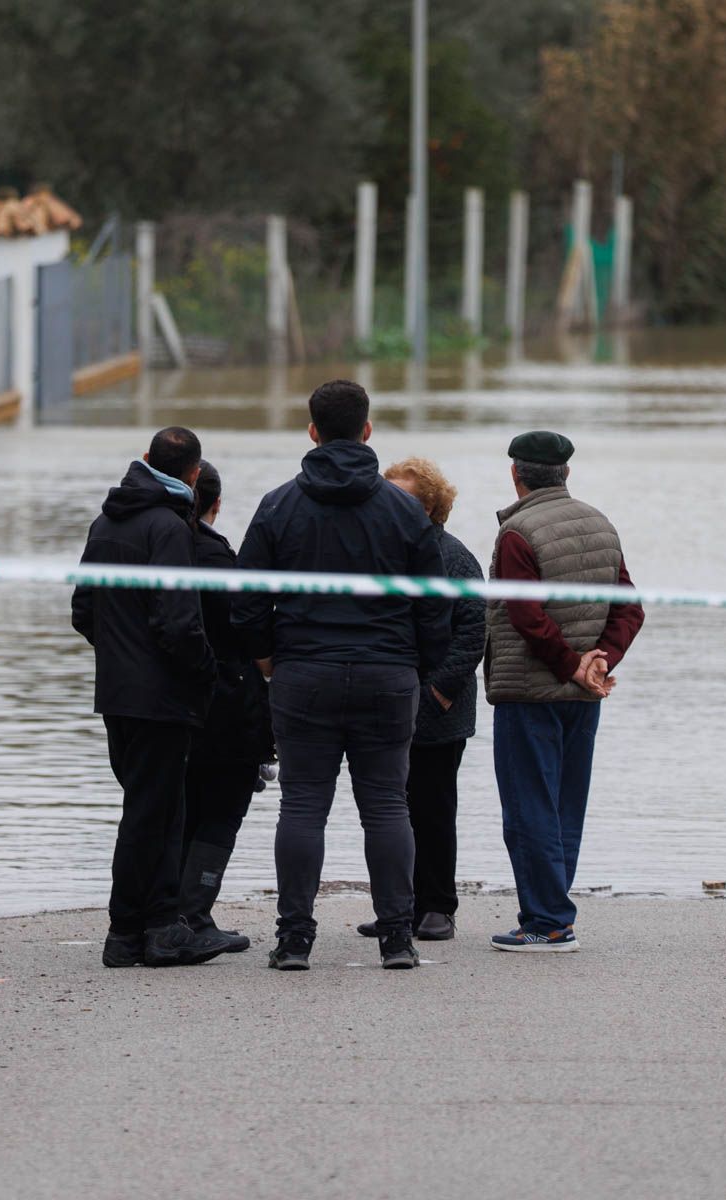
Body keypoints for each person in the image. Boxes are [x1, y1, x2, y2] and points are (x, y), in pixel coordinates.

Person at [232, 380, 451, 971]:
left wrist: (268, 660)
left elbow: (247, 602)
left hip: (304, 673)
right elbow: (436, 605)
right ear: (367, 431)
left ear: (311, 432)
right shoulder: (405, 511)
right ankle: (398, 939)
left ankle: (295, 939)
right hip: (387, 675)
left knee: (302, 805)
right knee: (386, 805)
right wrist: (416, 664)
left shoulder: (278, 505)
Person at [71, 427, 230, 969]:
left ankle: (149, 929)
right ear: (193, 474)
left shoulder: (105, 522)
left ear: (145, 459)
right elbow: (180, 623)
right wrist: (206, 674)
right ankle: (136, 931)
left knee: (154, 809)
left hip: (117, 694)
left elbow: (83, 610)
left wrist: (119, 655)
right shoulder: (169, 528)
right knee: (151, 813)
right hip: (163, 696)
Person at [485, 431, 643, 952]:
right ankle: (553, 911)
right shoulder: (602, 526)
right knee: (564, 806)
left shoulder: (518, 534)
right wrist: (601, 661)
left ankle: (548, 921)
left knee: (528, 807)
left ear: (516, 473)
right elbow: (629, 608)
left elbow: (525, 616)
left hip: (530, 692)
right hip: (581, 697)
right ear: (566, 474)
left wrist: (575, 666)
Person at [354, 457, 485, 943]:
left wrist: (437, 692)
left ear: (431, 506)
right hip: (382, 702)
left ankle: (437, 907)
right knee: (389, 809)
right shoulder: (376, 552)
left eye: (405, 498)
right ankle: (397, 906)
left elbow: (473, 633)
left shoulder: (454, 558)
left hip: (438, 710)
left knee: (432, 809)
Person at [178, 461, 274, 954]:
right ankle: (194, 913)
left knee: (179, 806)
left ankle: (167, 910)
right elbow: (245, 627)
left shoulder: (154, 549)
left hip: (164, 703)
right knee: (222, 809)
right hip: (226, 701)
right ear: (217, 505)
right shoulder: (217, 560)